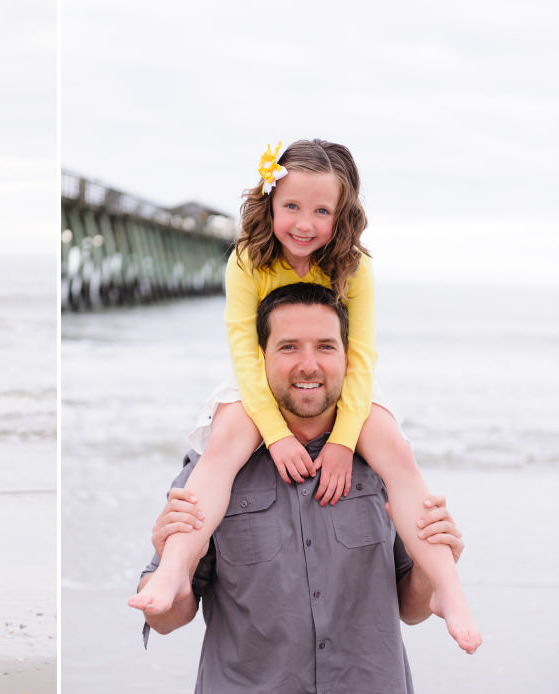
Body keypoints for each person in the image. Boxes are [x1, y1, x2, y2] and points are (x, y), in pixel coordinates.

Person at [129, 139, 480, 654]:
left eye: (322, 210)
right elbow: (246, 357)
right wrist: (274, 436)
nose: (304, 223)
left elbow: (359, 360)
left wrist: (341, 441)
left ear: (343, 215)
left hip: (347, 391)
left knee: (398, 454)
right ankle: (175, 570)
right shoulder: (247, 260)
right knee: (223, 445)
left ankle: (448, 587)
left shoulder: (354, 269)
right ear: (268, 203)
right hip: (257, 382)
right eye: (291, 206)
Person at [134, 283, 470, 694]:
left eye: (325, 347)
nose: (308, 364)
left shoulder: (381, 462)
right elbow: (166, 620)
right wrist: (167, 560)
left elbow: (411, 610)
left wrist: (437, 570)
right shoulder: (213, 468)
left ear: (349, 358)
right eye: (288, 347)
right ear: (260, 359)